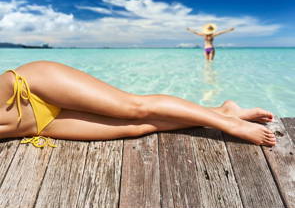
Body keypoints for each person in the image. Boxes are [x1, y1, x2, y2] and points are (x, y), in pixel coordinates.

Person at [0, 61, 276, 148]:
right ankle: (222, 111)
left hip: (30, 87)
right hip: (37, 125)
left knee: (133, 107)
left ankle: (228, 123)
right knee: (137, 127)